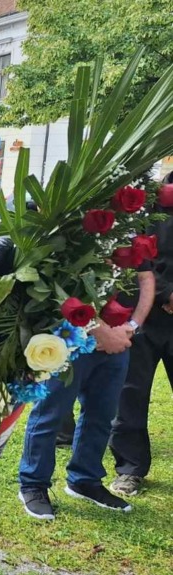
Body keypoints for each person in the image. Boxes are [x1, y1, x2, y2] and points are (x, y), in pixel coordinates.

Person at [18, 263, 152, 518]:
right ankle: (33, 484)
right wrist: (101, 331)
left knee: (102, 414)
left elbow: (146, 278)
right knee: (51, 413)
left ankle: (85, 479)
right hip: (70, 335)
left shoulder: (133, 229)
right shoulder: (71, 225)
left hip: (118, 339)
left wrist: (131, 326)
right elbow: (58, 287)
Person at [109, 183, 173, 496]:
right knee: (131, 395)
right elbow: (134, 254)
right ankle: (130, 469)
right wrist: (165, 293)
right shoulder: (150, 201)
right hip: (146, 315)